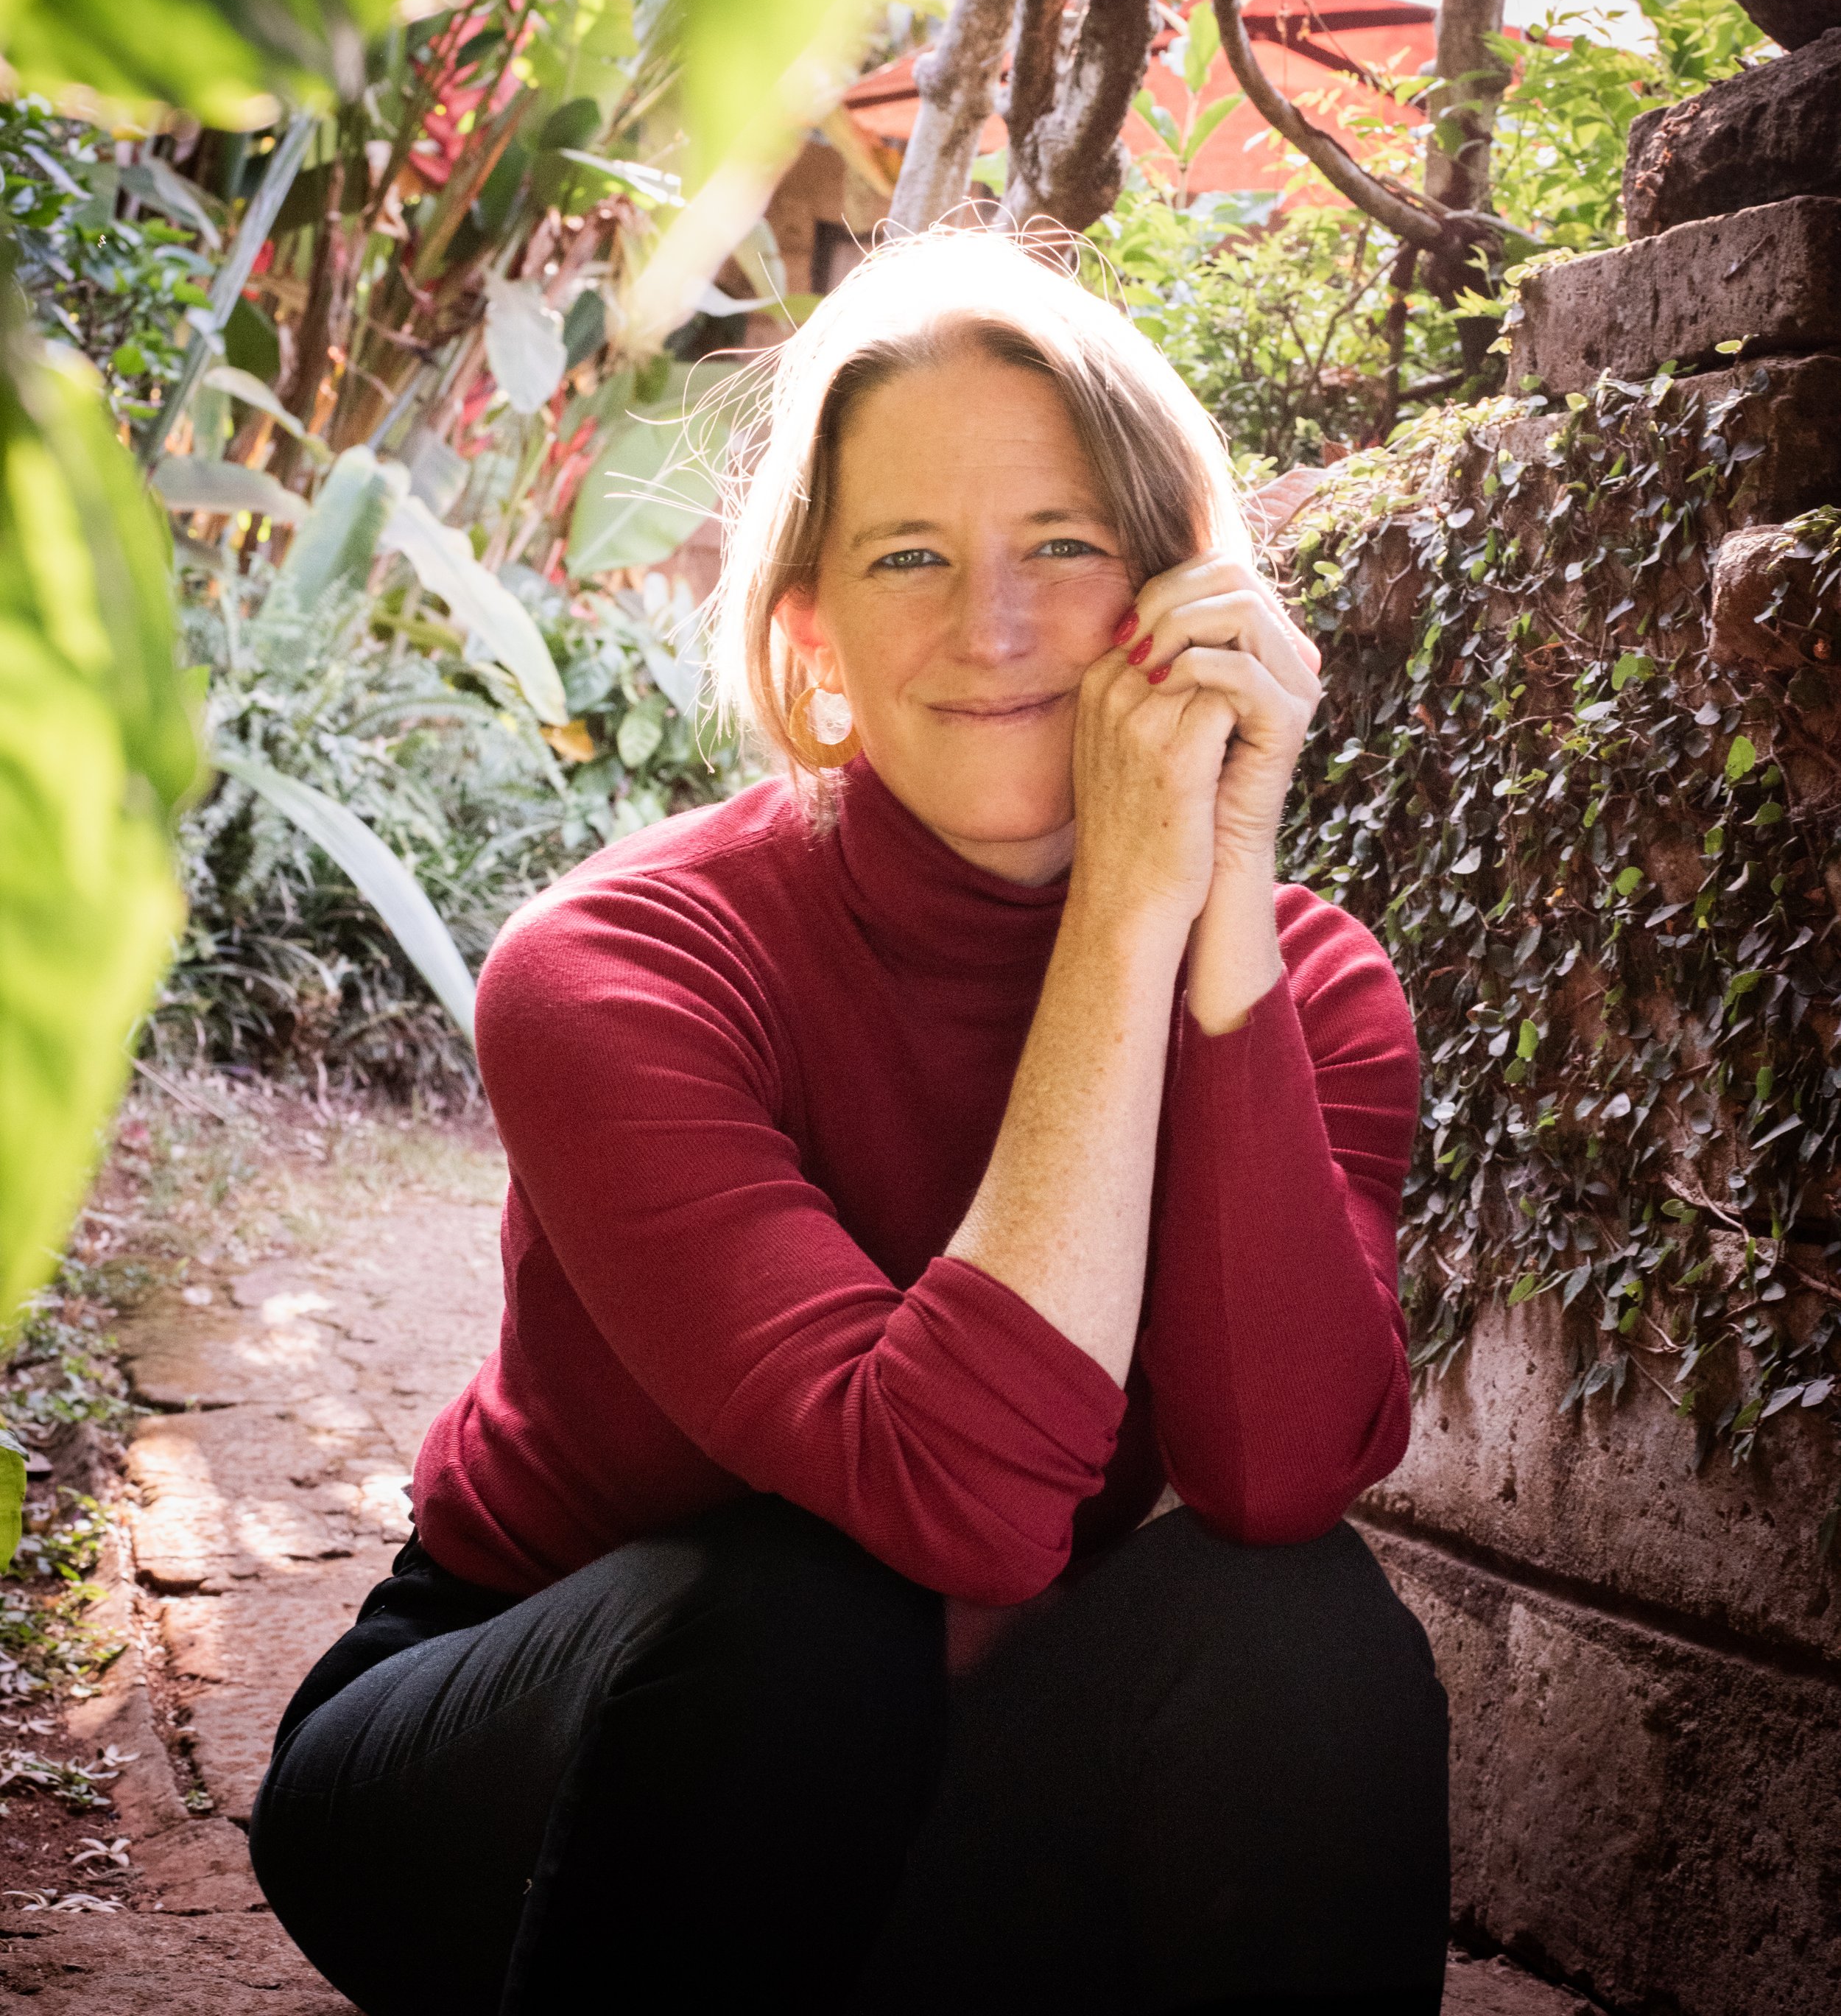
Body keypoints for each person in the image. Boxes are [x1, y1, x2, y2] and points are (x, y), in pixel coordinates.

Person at [249, 227, 1449, 2016]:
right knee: (809, 1606)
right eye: (910, 557)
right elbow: (939, 1501)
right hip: (538, 1747)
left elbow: (1274, 1479)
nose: (995, 627)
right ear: (809, 628)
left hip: (952, 1767)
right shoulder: (620, 966)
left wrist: (1201, 907)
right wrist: (1121, 910)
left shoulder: (1303, 984)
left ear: (1178, 594)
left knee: (1303, 1626)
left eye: (1063, 542)